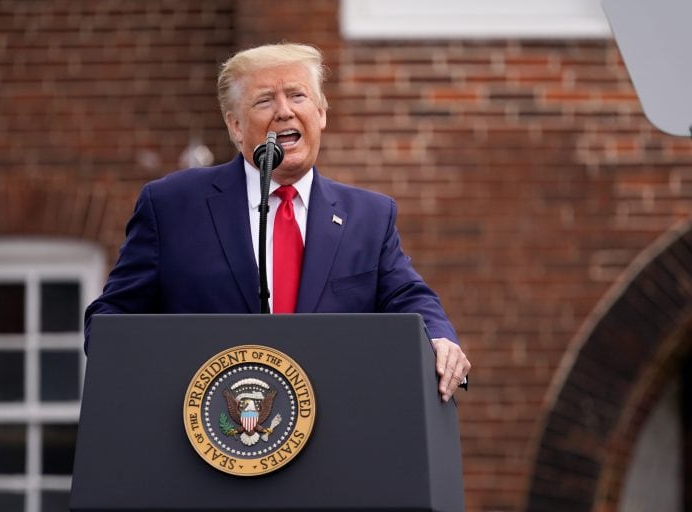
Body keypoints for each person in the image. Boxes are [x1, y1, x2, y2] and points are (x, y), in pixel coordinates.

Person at [84, 43, 470, 402]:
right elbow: (110, 321)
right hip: (208, 435)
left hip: (331, 436)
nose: (284, 111)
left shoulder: (369, 216)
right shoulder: (171, 206)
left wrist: (439, 337)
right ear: (235, 126)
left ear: (320, 113)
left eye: (298, 95)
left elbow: (408, 297)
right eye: (265, 100)